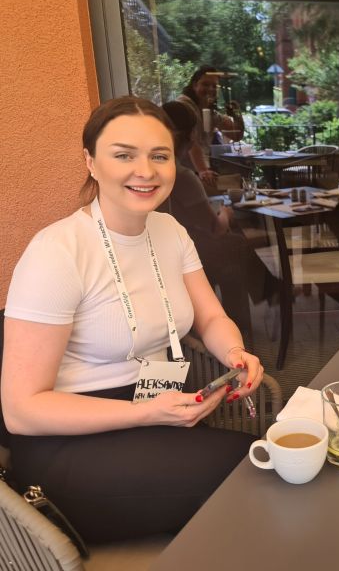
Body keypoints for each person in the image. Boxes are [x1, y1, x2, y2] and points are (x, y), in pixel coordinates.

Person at [1, 96, 264, 542]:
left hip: (156, 413)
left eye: (159, 156)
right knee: (255, 472)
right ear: (91, 162)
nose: (145, 171)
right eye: (123, 155)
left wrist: (235, 352)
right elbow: (21, 411)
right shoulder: (58, 252)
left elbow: (212, 316)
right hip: (68, 443)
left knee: (266, 461)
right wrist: (143, 413)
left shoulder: (169, 230)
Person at [161, 100, 271, 339]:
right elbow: (215, 228)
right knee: (235, 244)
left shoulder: (160, 173)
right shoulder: (182, 176)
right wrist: (226, 212)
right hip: (193, 254)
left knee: (236, 244)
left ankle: (268, 292)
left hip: (172, 250)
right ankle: (245, 321)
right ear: (191, 135)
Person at [178, 65, 244, 187]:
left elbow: (236, 135)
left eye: (214, 86)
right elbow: (191, 141)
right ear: (194, 85)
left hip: (199, 173)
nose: (210, 89)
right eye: (205, 84)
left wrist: (237, 115)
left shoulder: (208, 111)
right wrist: (203, 170)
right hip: (182, 174)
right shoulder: (184, 106)